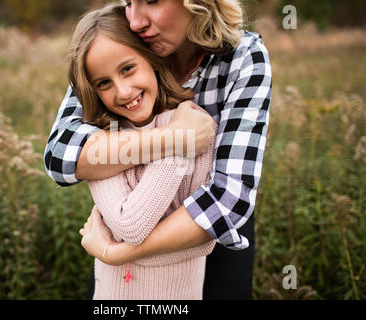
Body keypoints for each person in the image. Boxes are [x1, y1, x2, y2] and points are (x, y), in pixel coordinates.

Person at [44, 0, 272, 300]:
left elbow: (228, 199)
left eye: (151, 1)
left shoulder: (242, 57)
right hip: (120, 241)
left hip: (209, 234)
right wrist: (175, 139)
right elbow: (60, 156)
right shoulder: (120, 35)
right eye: (128, 2)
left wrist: (119, 252)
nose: (136, 20)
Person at [68, 5, 218, 299]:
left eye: (127, 68)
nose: (123, 91)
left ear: (153, 60)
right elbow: (131, 226)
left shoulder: (197, 124)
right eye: (103, 83)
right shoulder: (104, 141)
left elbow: (206, 241)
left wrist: (112, 251)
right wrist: (178, 141)